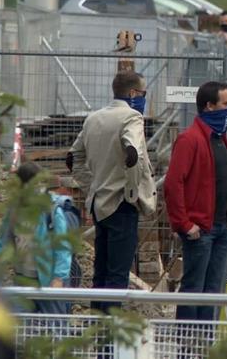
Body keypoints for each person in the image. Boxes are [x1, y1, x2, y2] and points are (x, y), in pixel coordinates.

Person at [67, 70, 156, 313]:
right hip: (121, 205)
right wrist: (130, 192)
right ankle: (109, 342)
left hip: (99, 202)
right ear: (133, 93)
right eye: (144, 93)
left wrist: (91, 186)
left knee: (101, 274)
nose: (144, 98)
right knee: (117, 277)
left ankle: (99, 339)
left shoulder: (93, 118)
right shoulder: (132, 117)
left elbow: (73, 158)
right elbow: (133, 154)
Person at [165, 81, 227, 321]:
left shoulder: (218, 138)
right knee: (194, 289)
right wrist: (184, 224)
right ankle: (188, 347)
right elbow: (173, 184)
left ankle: (205, 344)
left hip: (217, 229)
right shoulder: (190, 140)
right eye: (226, 104)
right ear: (209, 106)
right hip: (200, 230)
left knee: (212, 290)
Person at [0, 163, 73, 314]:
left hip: (50, 282)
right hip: (23, 280)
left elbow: (62, 247)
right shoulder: (14, 211)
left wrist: (59, 278)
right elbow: (3, 243)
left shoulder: (52, 211)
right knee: (19, 326)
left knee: (55, 327)